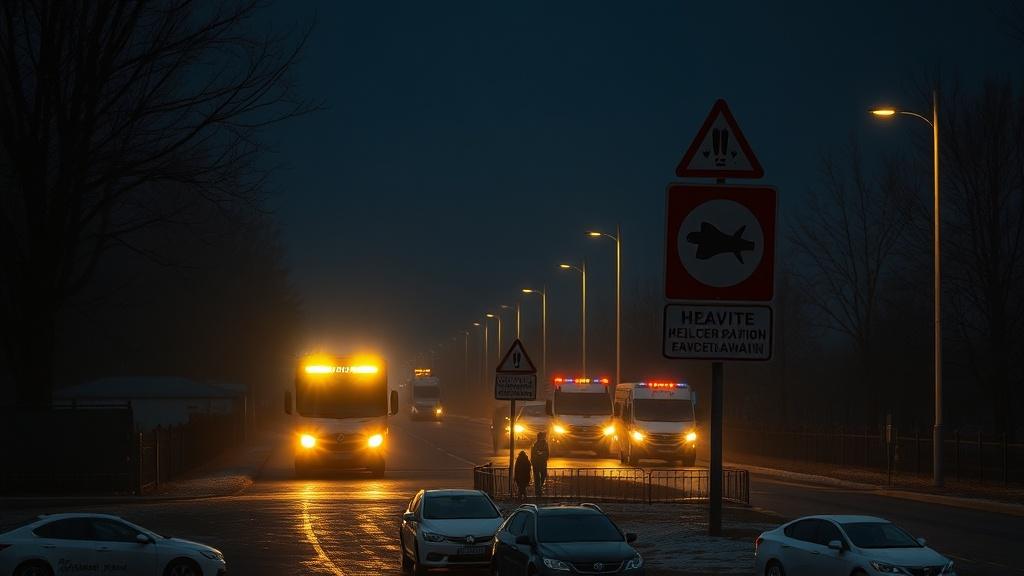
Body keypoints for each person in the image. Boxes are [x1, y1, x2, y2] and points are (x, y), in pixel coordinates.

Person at [530, 431, 549, 497]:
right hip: (537, 463)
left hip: (541, 463)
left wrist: (542, 454)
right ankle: (538, 491)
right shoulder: (535, 444)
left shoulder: (544, 444)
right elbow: (533, 454)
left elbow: (547, 453)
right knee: (538, 477)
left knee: (543, 476)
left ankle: (539, 488)